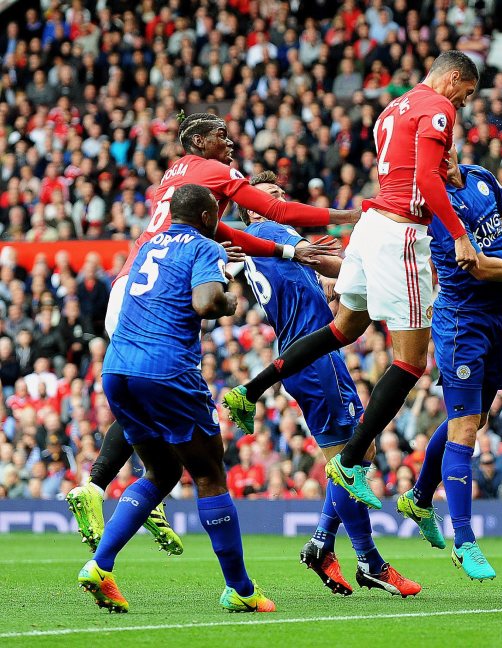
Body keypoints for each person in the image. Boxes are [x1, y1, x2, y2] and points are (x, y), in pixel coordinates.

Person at [66, 111, 354, 554]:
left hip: (135, 277)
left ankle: (132, 485)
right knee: (185, 420)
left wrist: (284, 248)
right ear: (198, 142)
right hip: (164, 287)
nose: (230, 142)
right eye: (221, 135)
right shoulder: (215, 172)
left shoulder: (176, 180)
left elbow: (226, 230)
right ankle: (108, 485)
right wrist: (345, 213)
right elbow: (272, 210)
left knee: (146, 394)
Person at [224, 51, 481, 510]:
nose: (464, 103)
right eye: (467, 92)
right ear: (455, 78)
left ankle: (250, 390)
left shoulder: (395, 107)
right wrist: (460, 235)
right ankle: (349, 459)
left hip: (371, 229)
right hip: (402, 232)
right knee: (411, 363)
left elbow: (411, 169)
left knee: (343, 330)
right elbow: (424, 177)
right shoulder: (438, 108)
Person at [77, 184, 275, 613]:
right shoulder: (205, 247)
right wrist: (229, 300)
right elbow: (205, 303)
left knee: (162, 470)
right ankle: (241, 590)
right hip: (166, 371)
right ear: (207, 218)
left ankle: (100, 565)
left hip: (117, 369)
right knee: (209, 475)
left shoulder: (147, 246)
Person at [237, 172, 420, 597]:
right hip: (312, 359)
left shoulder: (268, 242)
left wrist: (337, 288)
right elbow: (323, 262)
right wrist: (373, 267)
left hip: (314, 354)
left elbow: (318, 284)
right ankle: (370, 561)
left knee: (362, 450)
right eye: (269, 195)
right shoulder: (269, 230)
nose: (280, 198)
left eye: (282, 192)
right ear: (249, 207)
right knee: (348, 460)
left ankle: (321, 543)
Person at [395, 147, 502, 580]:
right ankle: (464, 540)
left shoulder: (480, 176)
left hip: (495, 318)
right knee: (466, 425)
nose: (444, 162)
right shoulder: (439, 210)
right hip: (461, 322)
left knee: (474, 418)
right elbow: (482, 268)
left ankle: (419, 496)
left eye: (446, 154)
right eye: (435, 160)